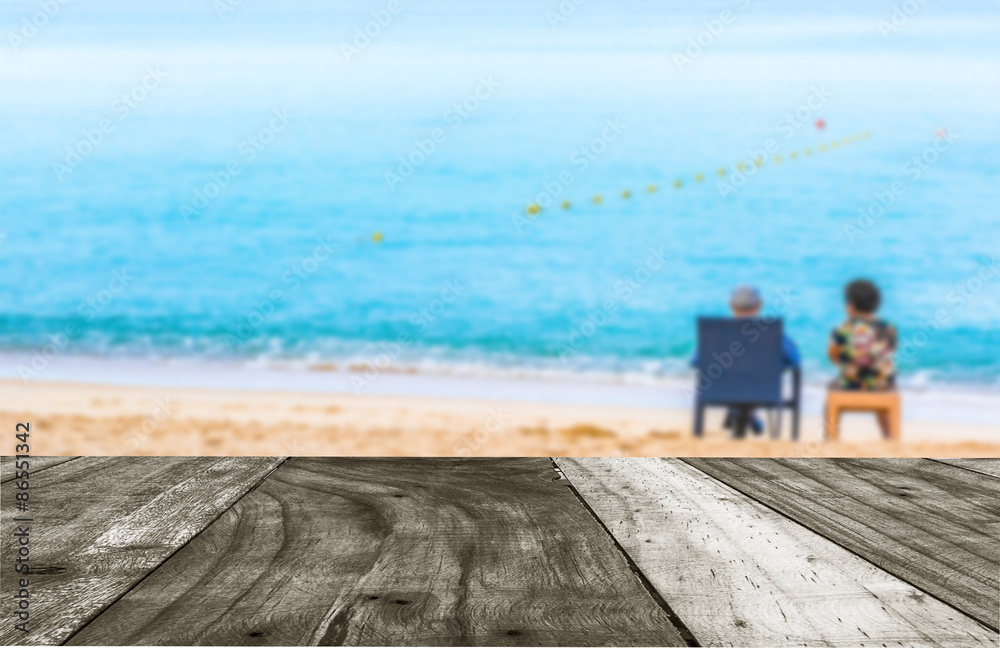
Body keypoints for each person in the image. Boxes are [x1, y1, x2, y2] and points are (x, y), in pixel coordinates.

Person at [692, 285, 800, 437]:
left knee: (733, 379)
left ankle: (742, 413)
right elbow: (795, 359)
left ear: (732, 305)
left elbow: (696, 360)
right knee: (753, 380)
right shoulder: (771, 332)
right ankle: (749, 414)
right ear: (759, 304)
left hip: (723, 391)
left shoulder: (717, 333)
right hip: (763, 390)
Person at [828, 279, 898, 437]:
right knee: (885, 382)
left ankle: (831, 437)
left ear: (851, 306)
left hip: (851, 384)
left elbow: (833, 355)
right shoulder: (888, 328)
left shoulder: (844, 328)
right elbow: (890, 351)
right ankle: (889, 437)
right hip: (883, 386)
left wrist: (849, 361)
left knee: (832, 387)